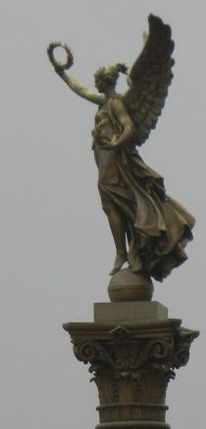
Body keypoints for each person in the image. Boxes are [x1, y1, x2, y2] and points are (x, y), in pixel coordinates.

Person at [49, 17, 194, 280]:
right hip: (104, 162)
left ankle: (130, 251)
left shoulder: (116, 104)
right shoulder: (102, 101)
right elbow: (79, 90)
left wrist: (117, 142)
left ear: (105, 82)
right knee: (110, 207)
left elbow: (128, 127)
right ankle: (122, 252)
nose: (96, 84)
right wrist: (63, 74)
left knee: (126, 206)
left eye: (99, 81)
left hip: (117, 162)